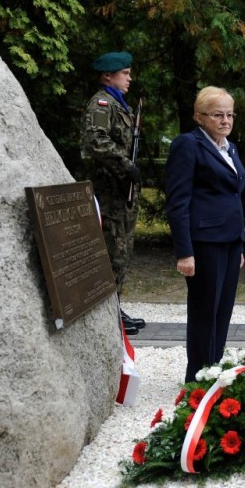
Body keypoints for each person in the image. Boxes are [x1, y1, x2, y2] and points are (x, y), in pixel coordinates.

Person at [165, 86, 245, 383]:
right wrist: (184, 252)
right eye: (217, 115)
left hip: (230, 242)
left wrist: (239, 244)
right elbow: (178, 202)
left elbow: (233, 197)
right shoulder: (188, 145)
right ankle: (197, 380)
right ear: (199, 117)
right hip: (204, 244)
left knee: (222, 312)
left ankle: (214, 372)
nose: (225, 120)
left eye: (230, 115)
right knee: (204, 313)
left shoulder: (230, 147)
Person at [81, 51, 145, 335]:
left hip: (120, 193)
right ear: (108, 75)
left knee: (122, 251)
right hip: (107, 194)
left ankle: (114, 307)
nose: (129, 78)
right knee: (112, 252)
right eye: (125, 73)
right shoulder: (102, 104)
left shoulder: (120, 105)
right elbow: (95, 141)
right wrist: (126, 165)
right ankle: (107, 313)